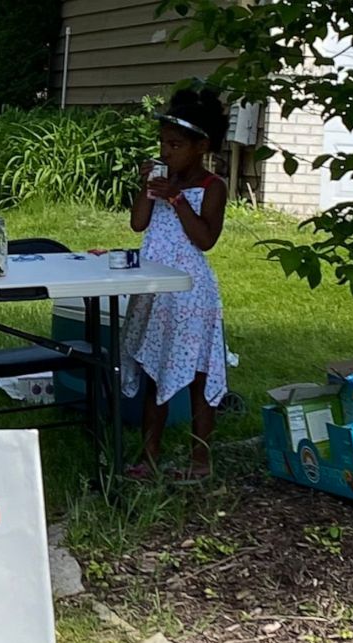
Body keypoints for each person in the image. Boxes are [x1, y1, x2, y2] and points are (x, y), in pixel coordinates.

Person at [123, 87, 231, 481]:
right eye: (162, 144)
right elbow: (138, 224)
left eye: (175, 145)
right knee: (155, 369)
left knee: (198, 375)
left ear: (200, 146)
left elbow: (205, 239)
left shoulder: (211, 187)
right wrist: (147, 188)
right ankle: (149, 454)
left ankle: (200, 460)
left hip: (190, 292)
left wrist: (178, 200)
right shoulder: (161, 178)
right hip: (155, 287)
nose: (166, 153)